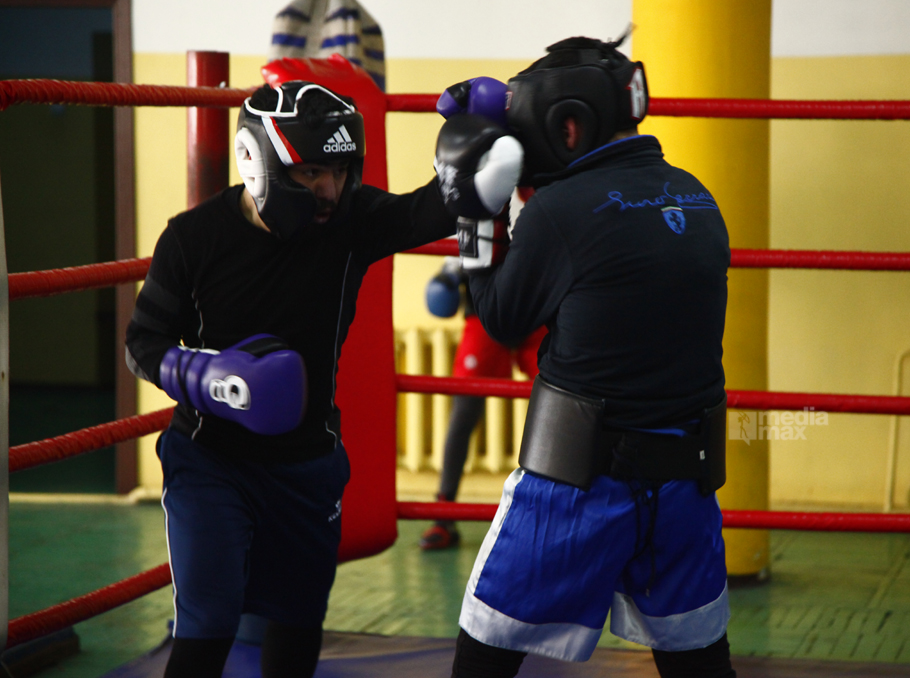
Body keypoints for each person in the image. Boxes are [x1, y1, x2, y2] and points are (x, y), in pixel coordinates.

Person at [124, 79, 463, 678]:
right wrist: (204, 376)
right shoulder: (193, 238)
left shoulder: (350, 222)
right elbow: (142, 344)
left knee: (299, 621)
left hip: (306, 462)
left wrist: (478, 138)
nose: (329, 188)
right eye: (310, 173)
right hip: (210, 460)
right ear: (259, 164)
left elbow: (429, 209)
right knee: (207, 624)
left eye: (339, 170)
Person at [432, 35, 735, 678]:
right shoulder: (698, 196)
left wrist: (474, 213)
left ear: (567, 126)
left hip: (576, 487)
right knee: (701, 666)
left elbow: (501, 318)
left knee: (482, 661)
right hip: (686, 486)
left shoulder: (563, 210)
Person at [419, 255, 547, 550]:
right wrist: (450, 272)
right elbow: (461, 250)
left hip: (537, 312)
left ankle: (558, 511)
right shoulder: (481, 221)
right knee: (463, 413)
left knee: (560, 404)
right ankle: (443, 516)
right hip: (486, 312)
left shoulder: (544, 220)